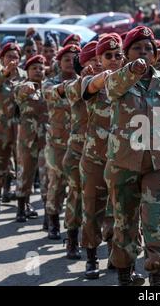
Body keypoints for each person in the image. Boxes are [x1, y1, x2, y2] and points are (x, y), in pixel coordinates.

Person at [100, 26, 160, 286]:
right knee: (125, 224)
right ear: (125, 54)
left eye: (148, 49)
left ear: (156, 55)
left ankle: (157, 280)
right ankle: (125, 274)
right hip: (124, 162)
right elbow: (111, 90)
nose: (144, 53)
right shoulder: (116, 79)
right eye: (137, 48)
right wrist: (132, 72)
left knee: (157, 223)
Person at [75, 34, 124, 280]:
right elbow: (91, 87)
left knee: (119, 211)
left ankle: (116, 254)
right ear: (98, 59)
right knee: (92, 209)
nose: (114, 60)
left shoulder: (129, 82)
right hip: (95, 158)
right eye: (108, 56)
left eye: (118, 55)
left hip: (121, 159)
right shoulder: (90, 80)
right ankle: (92, 256)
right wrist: (105, 76)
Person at [60, 41, 98, 260]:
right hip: (78, 151)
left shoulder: (114, 84)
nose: (95, 64)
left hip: (105, 152)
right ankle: (72, 239)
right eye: (90, 60)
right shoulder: (76, 85)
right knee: (76, 196)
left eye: (97, 59)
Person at [43, 44, 80, 239]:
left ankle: (72, 227)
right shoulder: (50, 82)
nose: (70, 63)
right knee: (56, 184)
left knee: (76, 187)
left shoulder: (84, 83)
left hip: (78, 143)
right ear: (59, 62)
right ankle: (53, 221)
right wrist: (67, 87)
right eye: (66, 59)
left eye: (74, 59)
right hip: (57, 143)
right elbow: (49, 94)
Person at [0, 42, 26, 211]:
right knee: (0, 163)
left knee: (22, 165)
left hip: (20, 129)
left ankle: (22, 201)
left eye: (15, 56)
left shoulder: (24, 75)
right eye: (9, 56)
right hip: (0, 128)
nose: (13, 60)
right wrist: (5, 71)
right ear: (2, 59)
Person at [13, 55, 49, 223]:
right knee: (25, 174)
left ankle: (49, 216)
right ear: (27, 71)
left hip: (46, 140)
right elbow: (18, 93)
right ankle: (21, 208)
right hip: (27, 140)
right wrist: (26, 88)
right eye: (34, 68)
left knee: (46, 177)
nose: (38, 71)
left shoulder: (50, 88)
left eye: (41, 68)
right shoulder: (21, 86)